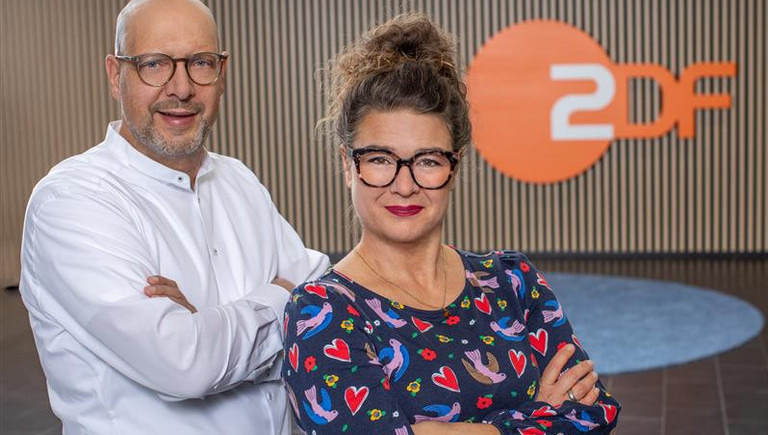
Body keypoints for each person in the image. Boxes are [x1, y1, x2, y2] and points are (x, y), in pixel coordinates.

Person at [282, 13, 620, 435]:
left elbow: (594, 414)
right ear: (348, 165)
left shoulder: (512, 282)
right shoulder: (323, 311)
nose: (404, 185)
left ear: (454, 167)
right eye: (380, 159)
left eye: (428, 161)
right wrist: (536, 414)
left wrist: (440, 430)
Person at [18, 0, 328, 433]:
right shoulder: (71, 200)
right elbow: (187, 365)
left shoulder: (239, 179)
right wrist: (282, 297)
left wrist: (208, 325)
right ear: (115, 75)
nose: (181, 88)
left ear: (222, 73)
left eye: (200, 63)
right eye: (154, 64)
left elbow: (323, 308)